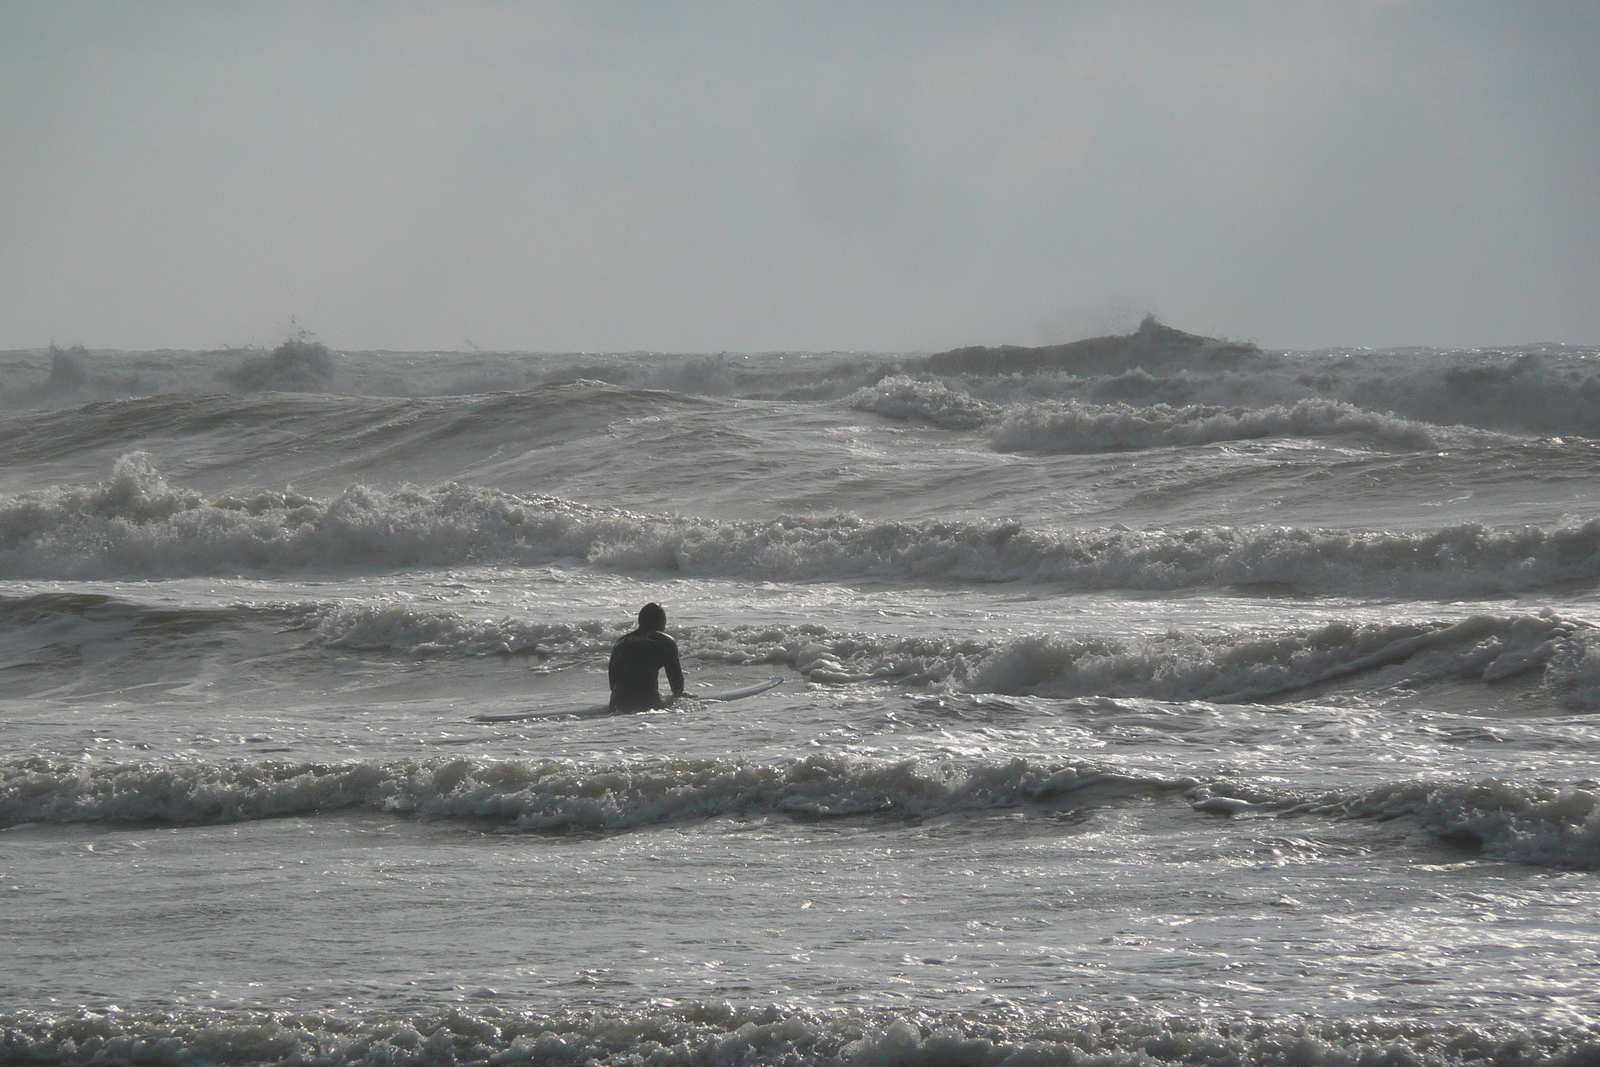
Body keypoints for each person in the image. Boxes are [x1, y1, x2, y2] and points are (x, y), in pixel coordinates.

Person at [608, 602, 685, 712]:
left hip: (616, 705)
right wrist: (678, 698)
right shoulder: (664, 641)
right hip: (647, 705)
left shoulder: (620, 643)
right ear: (660, 621)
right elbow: (677, 685)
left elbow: (613, 684)